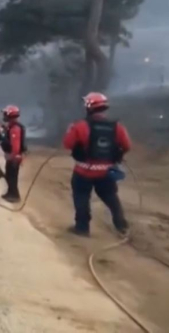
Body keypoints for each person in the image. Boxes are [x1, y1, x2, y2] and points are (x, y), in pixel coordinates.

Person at [62, 92, 131, 237]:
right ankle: (121, 226)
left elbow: (67, 144)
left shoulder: (79, 126)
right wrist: (116, 155)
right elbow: (126, 145)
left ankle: (82, 228)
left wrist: (70, 130)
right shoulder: (117, 127)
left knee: (81, 198)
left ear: (88, 107)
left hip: (83, 172)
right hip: (105, 172)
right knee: (111, 198)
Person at [0, 105, 25, 203]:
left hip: (14, 157)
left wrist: (13, 156)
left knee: (12, 176)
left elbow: (16, 146)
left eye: (5, 114)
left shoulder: (15, 129)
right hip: (12, 156)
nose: (4, 116)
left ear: (10, 114)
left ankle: (15, 195)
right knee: (9, 175)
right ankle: (10, 192)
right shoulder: (12, 126)